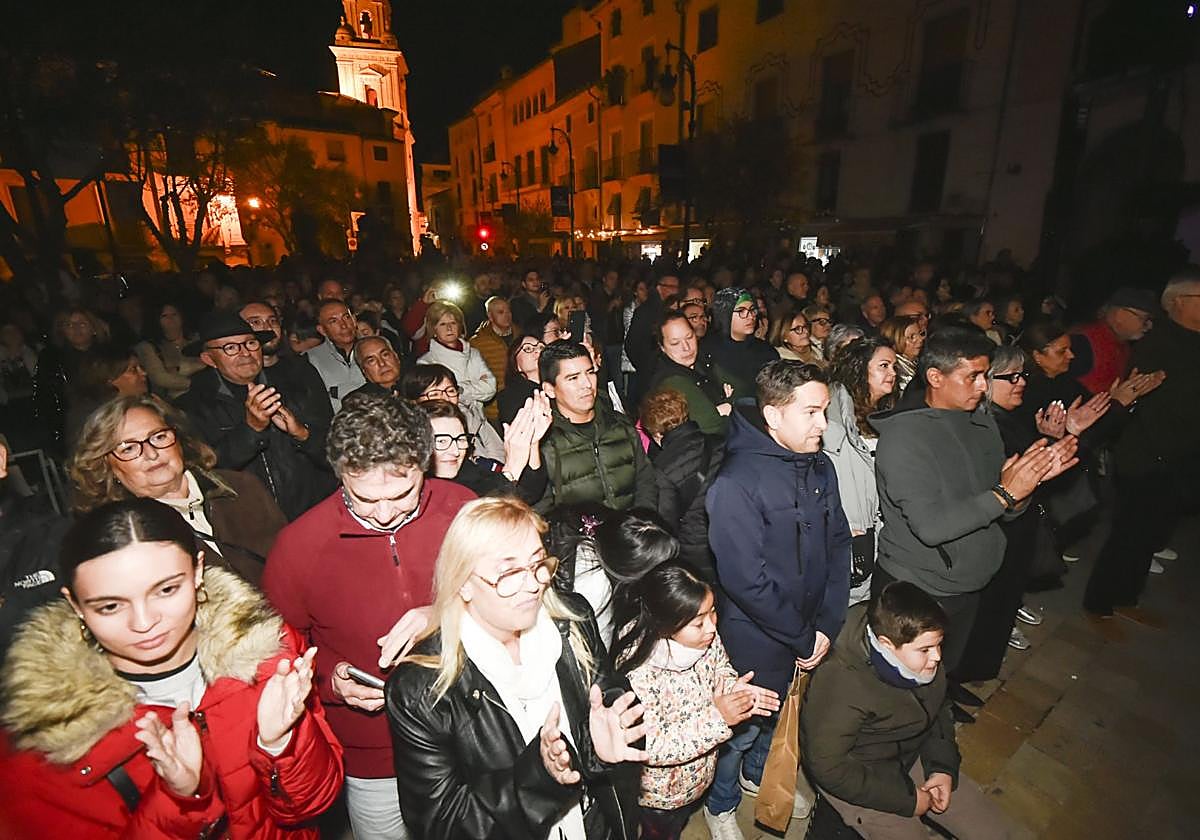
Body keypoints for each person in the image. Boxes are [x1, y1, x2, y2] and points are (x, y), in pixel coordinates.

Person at [0, 498, 344, 838]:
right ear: (74, 604)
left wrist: (281, 744)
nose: (145, 622)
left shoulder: (269, 652)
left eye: (166, 589)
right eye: (109, 606)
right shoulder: (46, 735)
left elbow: (311, 806)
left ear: (197, 572)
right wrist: (179, 799)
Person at [263, 391, 475, 840]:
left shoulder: (462, 509)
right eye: (363, 499)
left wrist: (443, 612)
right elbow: (275, 655)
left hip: (471, 726)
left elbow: (512, 598)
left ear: (425, 466)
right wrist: (329, 680)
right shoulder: (298, 546)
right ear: (341, 476)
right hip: (374, 752)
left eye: (401, 495)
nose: (382, 515)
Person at [385, 496, 646, 840]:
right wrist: (540, 778)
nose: (534, 584)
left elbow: (604, 692)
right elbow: (442, 825)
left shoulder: (572, 619)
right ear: (463, 582)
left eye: (538, 563)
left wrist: (607, 732)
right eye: (508, 572)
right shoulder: (420, 690)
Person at [870, 329, 1078, 710]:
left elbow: (1001, 507)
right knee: (900, 694)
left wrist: (1025, 488)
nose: (983, 387)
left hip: (970, 580)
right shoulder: (905, 440)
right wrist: (1005, 493)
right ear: (935, 377)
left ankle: (940, 707)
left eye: (986, 376)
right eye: (973, 376)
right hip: (922, 585)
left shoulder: (981, 426)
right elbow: (932, 527)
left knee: (943, 672)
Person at [703, 360, 853, 831]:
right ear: (773, 416)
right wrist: (803, 637)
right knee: (743, 729)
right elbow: (747, 582)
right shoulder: (734, 484)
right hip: (758, 637)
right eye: (811, 412)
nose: (823, 425)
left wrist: (828, 623)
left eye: (825, 411)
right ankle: (720, 803)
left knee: (787, 713)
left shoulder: (819, 465)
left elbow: (839, 542)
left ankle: (756, 778)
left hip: (811, 629)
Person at [801, 582, 1018, 840]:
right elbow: (829, 768)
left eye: (939, 645)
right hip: (860, 777)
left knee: (994, 832)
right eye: (925, 649)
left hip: (909, 754)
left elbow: (939, 710)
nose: (937, 657)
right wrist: (909, 800)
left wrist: (941, 768)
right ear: (887, 644)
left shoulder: (918, 656)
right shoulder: (840, 683)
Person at [611, 562, 780, 840]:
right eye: (699, 622)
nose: (712, 627)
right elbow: (649, 745)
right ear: (664, 625)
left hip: (699, 774)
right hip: (661, 797)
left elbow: (720, 668)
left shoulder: (704, 637)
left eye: (713, 612)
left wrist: (733, 691)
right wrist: (719, 718)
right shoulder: (637, 671)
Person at [69, 394, 287, 585]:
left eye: (159, 437)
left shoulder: (241, 487)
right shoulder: (124, 538)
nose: (152, 454)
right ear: (106, 466)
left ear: (179, 440)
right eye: (129, 448)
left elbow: (292, 561)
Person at [1086, 271, 1199, 620]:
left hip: (1179, 456)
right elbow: (1144, 401)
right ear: (1179, 302)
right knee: (1130, 533)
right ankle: (1100, 603)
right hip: (1150, 455)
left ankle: (1127, 598)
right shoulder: (1160, 342)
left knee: (1151, 534)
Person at [176, 312, 336, 521]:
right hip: (251, 526)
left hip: (314, 515)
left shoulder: (297, 385)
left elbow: (336, 453)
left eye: (250, 343)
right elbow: (204, 475)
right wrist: (251, 430)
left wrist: (302, 434)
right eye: (230, 347)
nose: (245, 353)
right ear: (209, 358)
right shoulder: (191, 408)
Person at [535, 341, 658, 513]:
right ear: (549, 389)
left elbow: (645, 480)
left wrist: (642, 523)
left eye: (590, 372)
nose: (586, 384)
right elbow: (542, 510)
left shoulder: (619, 425)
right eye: (573, 378)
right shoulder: (543, 444)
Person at [823, 337, 898, 607]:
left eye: (894, 367)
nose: (892, 373)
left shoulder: (887, 411)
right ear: (860, 367)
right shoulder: (833, 413)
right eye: (884, 366)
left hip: (881, 523)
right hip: (854, 526)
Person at [640, 388, 724, 581]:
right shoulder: (720, 443)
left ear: (657, 434)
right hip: (732, 538)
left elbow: (666, 524)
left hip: (697, 554)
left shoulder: (662, 469)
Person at [421, 394, 550, 504]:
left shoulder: (467, 471)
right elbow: (481, 518)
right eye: (442, 441)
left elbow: (528, 494)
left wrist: (532, 442)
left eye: (460, 439)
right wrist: (512, 467)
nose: (455, 451)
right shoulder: (417, 488)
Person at [644, 312, 741, 436]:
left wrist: (726, 406)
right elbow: (713, 428)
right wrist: (727, 405)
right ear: (662, 347)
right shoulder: (672, 381)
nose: (686, 347)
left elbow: (743, 389)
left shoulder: (704, 360)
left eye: (689, 337)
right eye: (675, 343)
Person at [403, 362, 506, 462]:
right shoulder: (415, 438)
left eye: (451, 391)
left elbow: (500, 453)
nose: (446, 398)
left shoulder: (472, 417)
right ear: (414, 401)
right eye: (434, 394)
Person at [417, 300, 497, 421]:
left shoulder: (473, 354)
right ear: (434, 328)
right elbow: (440, 400)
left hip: (480, 421)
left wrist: (461, 389)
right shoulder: (427, 363)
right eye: (442, 324)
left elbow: (490, 387)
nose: (449, 328)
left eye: (453, 323)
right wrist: (474, 386)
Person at [1068, 286, 1157, 395]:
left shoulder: (1123, 346)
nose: (1149, 326)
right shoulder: (1083, 342)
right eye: (1144, 319)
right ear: (1120, 315)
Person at [64, 347, 149, 449]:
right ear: (109, 378)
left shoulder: (145, 402)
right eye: (133, 370)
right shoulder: (94, 417)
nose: (144, 373)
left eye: (141, 368)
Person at [704, 288, 778, 390]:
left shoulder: (765, 351)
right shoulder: (708, 350)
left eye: (752, 310)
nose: (751, 316)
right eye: (741, 311)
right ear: (725, 314)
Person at [624, 273, 681, 402]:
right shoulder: (645, 312)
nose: (676, 290)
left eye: (677, 287)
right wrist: (646, 367)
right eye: (672, 286)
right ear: (659, 288)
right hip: (650, 373)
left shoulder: (673, 309)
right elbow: (631, 344)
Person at [305, 300, 366, 412]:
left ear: (354, 320)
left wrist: (337, 391)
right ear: (322, 330)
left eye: (346, 317)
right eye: (333, 321)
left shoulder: (373, 349)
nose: (344, 325)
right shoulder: (310, 359)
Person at [134, 302, 203, 398]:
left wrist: (177, 369)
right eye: (164, 316)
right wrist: (199, 383)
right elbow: (161, 378)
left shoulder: (197, 339)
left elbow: (209, 363)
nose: (171, 319)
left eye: (174, 314)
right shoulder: (147, 347)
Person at [470, 295, 516, 421]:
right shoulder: (478, 343)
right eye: (501, 312)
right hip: (494, 410)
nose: (507, 315)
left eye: (508, 311)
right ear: (490, 316)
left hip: (520, 404)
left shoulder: (521, 336)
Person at [497, 334, 544, 426]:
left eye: (541, 347)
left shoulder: (559, 385)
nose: (538, 351)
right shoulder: (509, 397)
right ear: (516, 364)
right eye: (528, 349)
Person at [878, 315, 925, 394]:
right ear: (895, 340)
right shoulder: (897, 370)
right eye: (912, 337)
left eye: (920, 334)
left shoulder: (917, 361)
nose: (920, 339)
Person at [350, 334, 405, 398]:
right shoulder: (357, 402)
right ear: (364, 371)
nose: (382, 363)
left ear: (396, 357)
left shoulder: (417, 383)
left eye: (385, 355)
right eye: (371, 361)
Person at [509, 267, 553, 333]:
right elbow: (524, 324)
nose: (535, 282)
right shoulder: (517, 303)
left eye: (537, 279)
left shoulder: (549, 300)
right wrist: (540, 308)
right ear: (524, 284)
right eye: (531, 280)